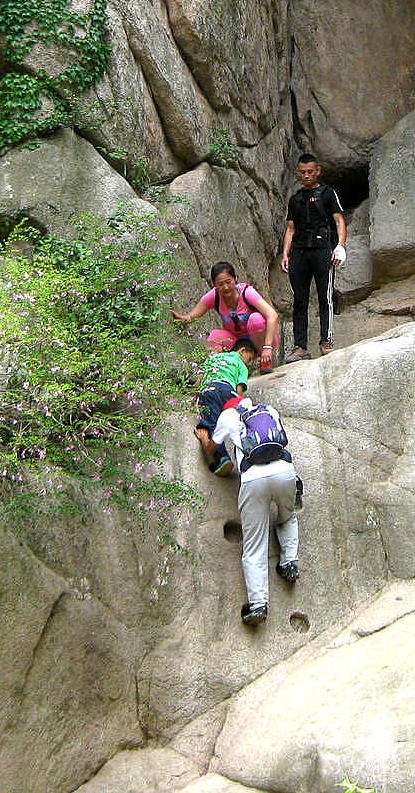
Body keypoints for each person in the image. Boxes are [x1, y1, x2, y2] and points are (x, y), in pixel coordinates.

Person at [211, 393, 300, 625]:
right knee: (287, 517)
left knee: (254, 545)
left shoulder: (227, 416)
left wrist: (204, 438)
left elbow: (214, 444)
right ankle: (289, 562)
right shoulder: (269, 410)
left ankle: (259, 604)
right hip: (284, 471)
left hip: (253, 479)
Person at [280, 153, 346, 359]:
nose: (307, 175)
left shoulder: (328, 194)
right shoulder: (295, 199)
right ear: (298, 173)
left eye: (310, 171)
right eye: (302, 172)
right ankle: (300, 347)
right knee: (299, 299)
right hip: (299, 251)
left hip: (322, 249)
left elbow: (339, 221)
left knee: (325, 296)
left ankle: (326, 341)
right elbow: (290, 229)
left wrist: (340, 246)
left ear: (318, 171)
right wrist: (285, 254)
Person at [172, 262, 281, 373]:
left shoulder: (247, 292)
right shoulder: (214, 296)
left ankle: (264, 361)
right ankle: (214, 372)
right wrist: (181, 320)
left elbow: (272, 315)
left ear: (235, 279)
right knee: (215, 336)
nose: (226, 287)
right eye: (220, 284)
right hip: (238, 342)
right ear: (214, 285)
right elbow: (192, 316)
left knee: (255, 319)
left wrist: (267, 347)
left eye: (228, 282)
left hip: (261, 340)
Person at [192, 336, 260, 475]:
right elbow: (239, 388)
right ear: (242, 351)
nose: (248, 362)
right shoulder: (240, 364)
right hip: (228, 391)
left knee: (212, 422)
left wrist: (194, 397)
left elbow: (199, 379)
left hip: (209, 389)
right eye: (249, 358)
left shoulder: (213, 359)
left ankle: (221, 458)